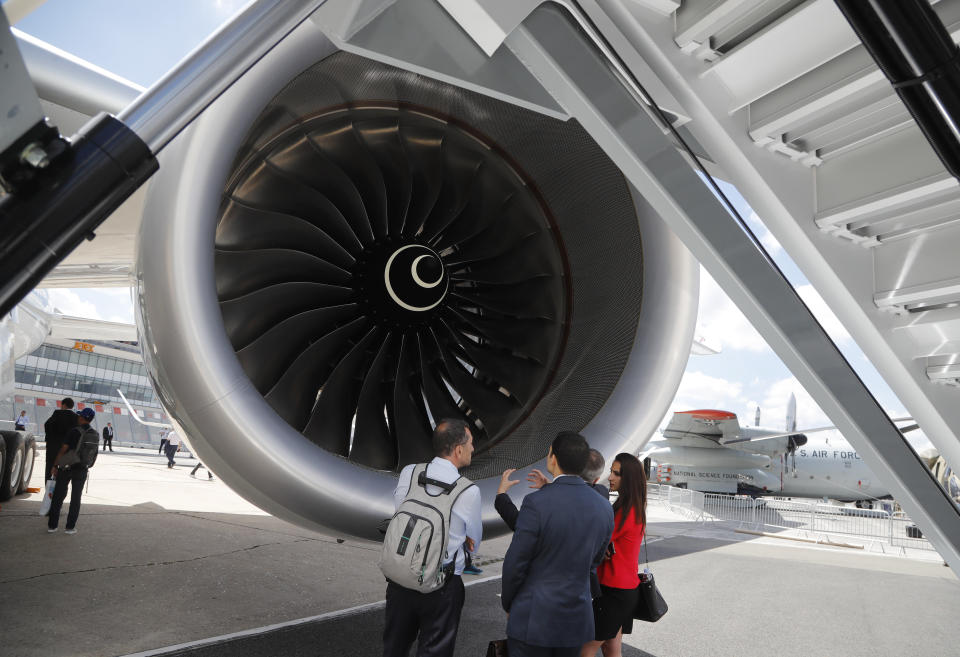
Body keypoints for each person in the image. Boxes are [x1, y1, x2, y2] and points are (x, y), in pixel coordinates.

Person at [501, 433, 614, 657]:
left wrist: (509, 603)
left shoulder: (536, 502)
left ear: (553, 458)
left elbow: (516, 562)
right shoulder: (603, 507)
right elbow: (594, 562)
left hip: (533, 618)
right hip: (575, 620)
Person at [383, 419, 481, 657]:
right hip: (442, 586)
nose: (473, 449)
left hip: (401, 578)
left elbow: (400, 513)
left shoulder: (410, 472)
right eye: (470, 444)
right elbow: (474, 542)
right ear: (458, 449)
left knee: (394, 648)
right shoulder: (469, 490)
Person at [581, 453, 647, 657]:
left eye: (616, 473)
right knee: (611, 649)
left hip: (614, 592)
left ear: (629, 478)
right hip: (624, 590)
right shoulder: (632, 507)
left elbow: (595, 536)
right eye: (611, 471)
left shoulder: (625, 512)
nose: (610, 477)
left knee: (585, 650)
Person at [47, 407, 98, 534]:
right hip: (82, 469)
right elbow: (94, 453)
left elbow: (63, 450)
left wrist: (55, 466)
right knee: (76, 498)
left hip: (67, 467)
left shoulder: (74, 431)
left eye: (79, 416)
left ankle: (53, 526)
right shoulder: (95, 434)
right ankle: (70, 528)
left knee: (58, 496)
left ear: (82, 418)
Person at [43, 398, 77, 482]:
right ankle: (60, 490)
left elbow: (47, 425)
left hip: (53, 447)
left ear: (64, 405)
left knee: (50, 468)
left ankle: (49, 491)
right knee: (64, 470)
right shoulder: (76, 417)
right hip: (67, 450)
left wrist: (50, 438)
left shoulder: (57, 413)